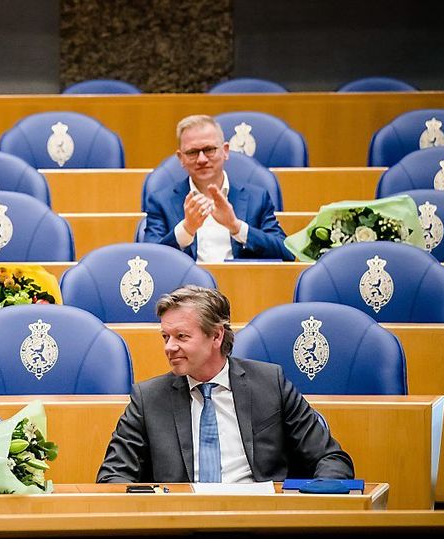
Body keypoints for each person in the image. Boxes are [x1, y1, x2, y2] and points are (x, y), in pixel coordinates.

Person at [97, 286, 353, 483]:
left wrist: (310, 507)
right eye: (165, 337)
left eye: (181, 336)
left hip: (261, 524)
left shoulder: (270, 383)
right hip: (180, 527)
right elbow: (113, 475)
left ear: (217, 335)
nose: (169, 347)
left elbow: (331, 459)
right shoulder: (149, 398)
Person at [143, 114, 293, 262]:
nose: (201, 159)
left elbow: (286, 252)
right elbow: (150, 260)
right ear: (181, 158)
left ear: (225, 151)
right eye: (192, 152)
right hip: (186, 285)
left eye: (209, 149)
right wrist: (186, 230)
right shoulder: (161, 201)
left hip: (242, 283)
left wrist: (236, 226)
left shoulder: (257, 198)